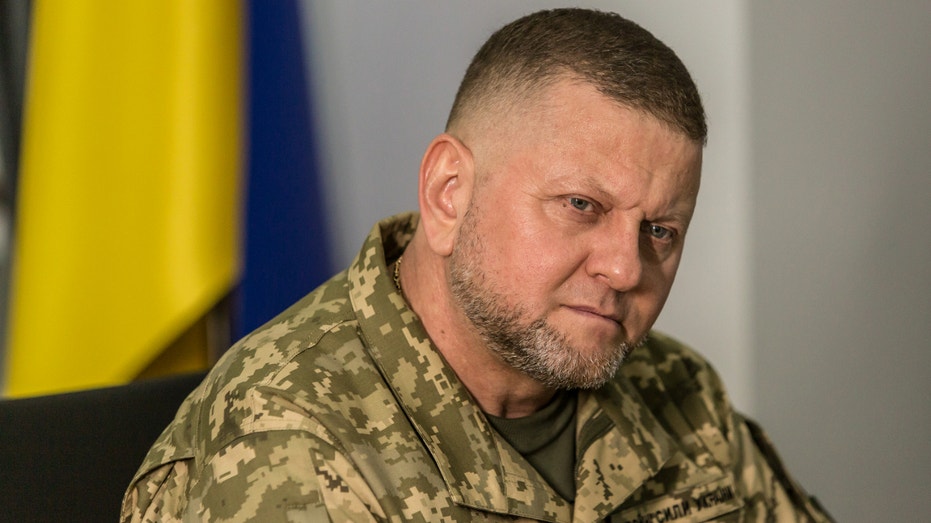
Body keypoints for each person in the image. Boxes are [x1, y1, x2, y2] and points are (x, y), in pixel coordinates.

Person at [122, 8, 832, 522]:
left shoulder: (676, 391)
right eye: (581, 204)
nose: (624, 268)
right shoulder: (291, 440)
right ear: (447, 194)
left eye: (660, 230)